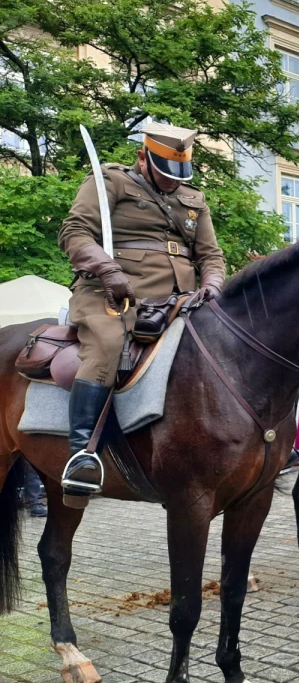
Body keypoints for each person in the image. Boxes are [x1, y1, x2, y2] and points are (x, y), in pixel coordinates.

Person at [57, 122, 225, 501]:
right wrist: (108, 269)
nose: (172, 182)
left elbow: (211, 256)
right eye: (165, 173)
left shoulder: (194, 200)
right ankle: (82, 454)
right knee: (108, 343)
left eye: (178, 175)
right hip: (112, 294)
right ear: (143, 158)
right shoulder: (110, 182)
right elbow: (75, 233)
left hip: (179, 302)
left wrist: (212, 286)